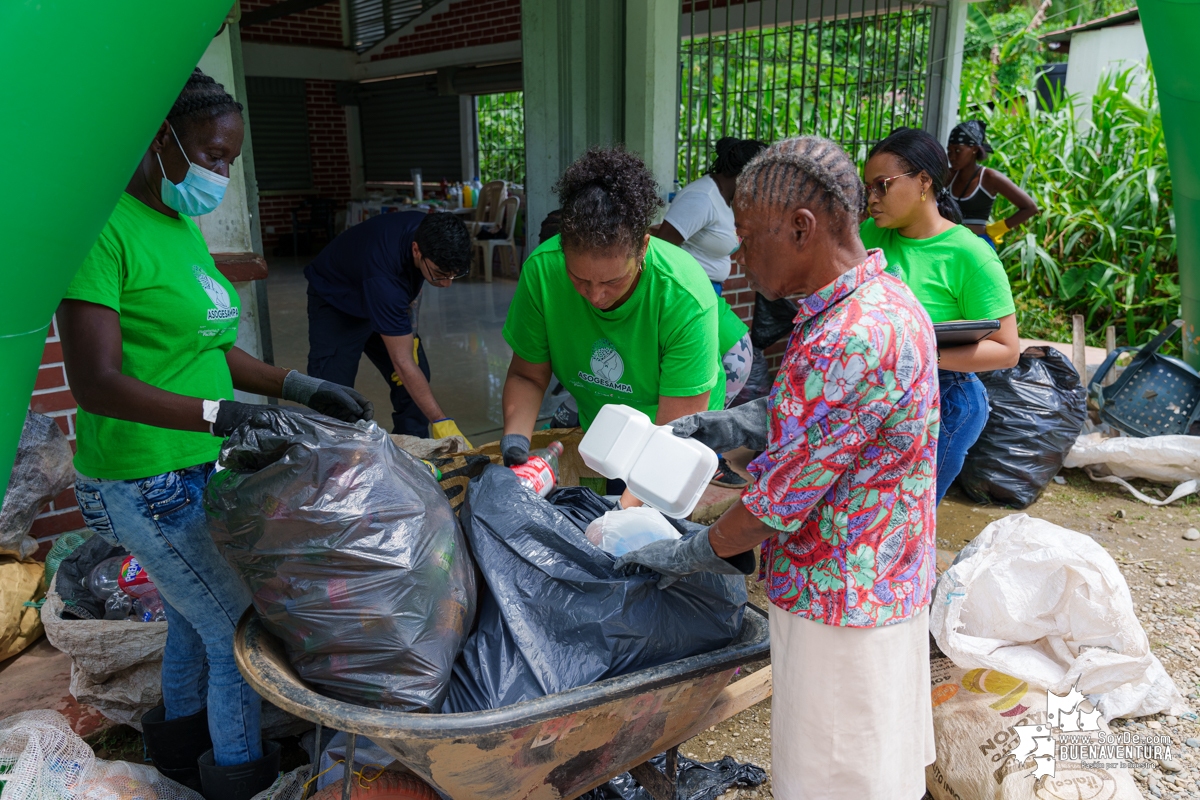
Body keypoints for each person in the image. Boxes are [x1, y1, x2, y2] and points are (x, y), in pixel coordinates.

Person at [57, 69, 372, 800]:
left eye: (229, 157)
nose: (219, 172)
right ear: (160, 138)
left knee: (193, 620)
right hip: (143, 476)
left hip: (196, 463)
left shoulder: (176, 225)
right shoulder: (100, 231)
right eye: (210, 153)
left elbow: (209, 347)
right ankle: (238, 775)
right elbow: (95, 381)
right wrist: (221, 416)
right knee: (238, 630)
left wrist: (296, 386)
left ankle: (178, 757)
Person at [617, 136, 940, 799]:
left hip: (839, 600)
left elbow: (773, 505)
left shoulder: (846, 338)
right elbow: (828, 420)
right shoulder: (884, 300)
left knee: (834, 770)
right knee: (871, 753)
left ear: (802, 227)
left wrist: (689, 553)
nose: (738, 253)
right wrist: (729, 423)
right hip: (886, 576)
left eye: (747, 234)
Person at [500, 147, 724, 508]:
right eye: (579, 279)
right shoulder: (543, 272)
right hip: (602, 423)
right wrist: (515, 444)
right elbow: (527, 375)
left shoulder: (684, 297)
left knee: (642, 520)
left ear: (643, 247)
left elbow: (671, 438)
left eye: (613, 282)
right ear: (562, 250)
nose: (596, 296)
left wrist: (618, 517)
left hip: (675, 430)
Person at [860, 127, 1020, 504]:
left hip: (945, 399)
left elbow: (1007, 350)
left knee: (905, 515)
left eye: (882, 185)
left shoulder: (969, 254)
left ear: (923, 182)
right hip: (880, 394)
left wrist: (916, 356)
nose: (871, 199)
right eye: (867, 187)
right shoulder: (870, 235)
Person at [303, 210, 473, 443]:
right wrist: (441, 421)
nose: (446, 284)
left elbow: (414, 291)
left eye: (455, 275)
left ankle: (413, 453)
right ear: (416, 250)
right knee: (333, 396)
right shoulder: (385, 280)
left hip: (377, 288)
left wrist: (410, 337)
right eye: (440, 275)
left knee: (416, 379)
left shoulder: (431, 231)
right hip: (338, 301)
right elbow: (402, 363)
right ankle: (336, 461)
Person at [655, 136, 767, 295]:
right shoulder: (702, 198)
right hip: (686, 291)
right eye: (761, 180)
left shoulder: (729, 198)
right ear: (747, 174)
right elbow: (661, 249)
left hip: (707, 289)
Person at [947, 120, 1040, 248]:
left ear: (974, 149)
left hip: (978, 246)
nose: (952, 157)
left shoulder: (989, 178)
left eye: (958, 151)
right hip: (951, 243)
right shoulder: (949, 176)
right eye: (949, 151)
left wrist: (998, 228)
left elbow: (1030, 208)